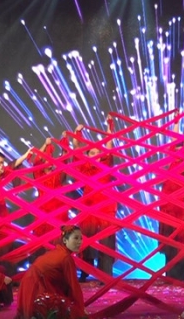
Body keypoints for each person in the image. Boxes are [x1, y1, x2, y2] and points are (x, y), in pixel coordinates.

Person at [73, 116, 117, 280]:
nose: (96, 155)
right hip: (88, 207)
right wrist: (77, 133)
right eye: (92, 153)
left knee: (106, 240)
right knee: (86, 239)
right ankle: (85, 271)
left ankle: (105, 274)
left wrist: (109, 126)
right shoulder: (85, 167)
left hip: (105, 207)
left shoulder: (105, 164)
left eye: (98, 152)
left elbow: (109, 145)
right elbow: (76, 148)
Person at [15, 225, 86, 319]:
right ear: (65, 240)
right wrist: (81, 309)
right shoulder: (65, 257)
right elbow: (73, 286)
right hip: (37, 288)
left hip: (29, 285)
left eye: (81, 238)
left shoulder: (58, 252)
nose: (79, 242)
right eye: (76, 238)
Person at [158, 111, 184, 281]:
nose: (178, 151)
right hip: (167, 206)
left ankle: (180, 276)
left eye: (181, 149)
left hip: (179, 207)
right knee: (169, 242)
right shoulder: (172, 160)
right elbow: (174, 140)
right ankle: (170, 275)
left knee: (179, 241)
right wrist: (176, 121)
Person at [32, 136, 69, 239]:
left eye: (50, 159)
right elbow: (36, 161)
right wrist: (45, 145)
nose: (49, 162)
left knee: (57, 238)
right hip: (43, 210)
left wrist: (64, 140)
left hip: (58, 210)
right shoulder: (39, 175)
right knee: (42, 239)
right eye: (46, 160)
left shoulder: (57, 173)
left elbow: (65, 158)